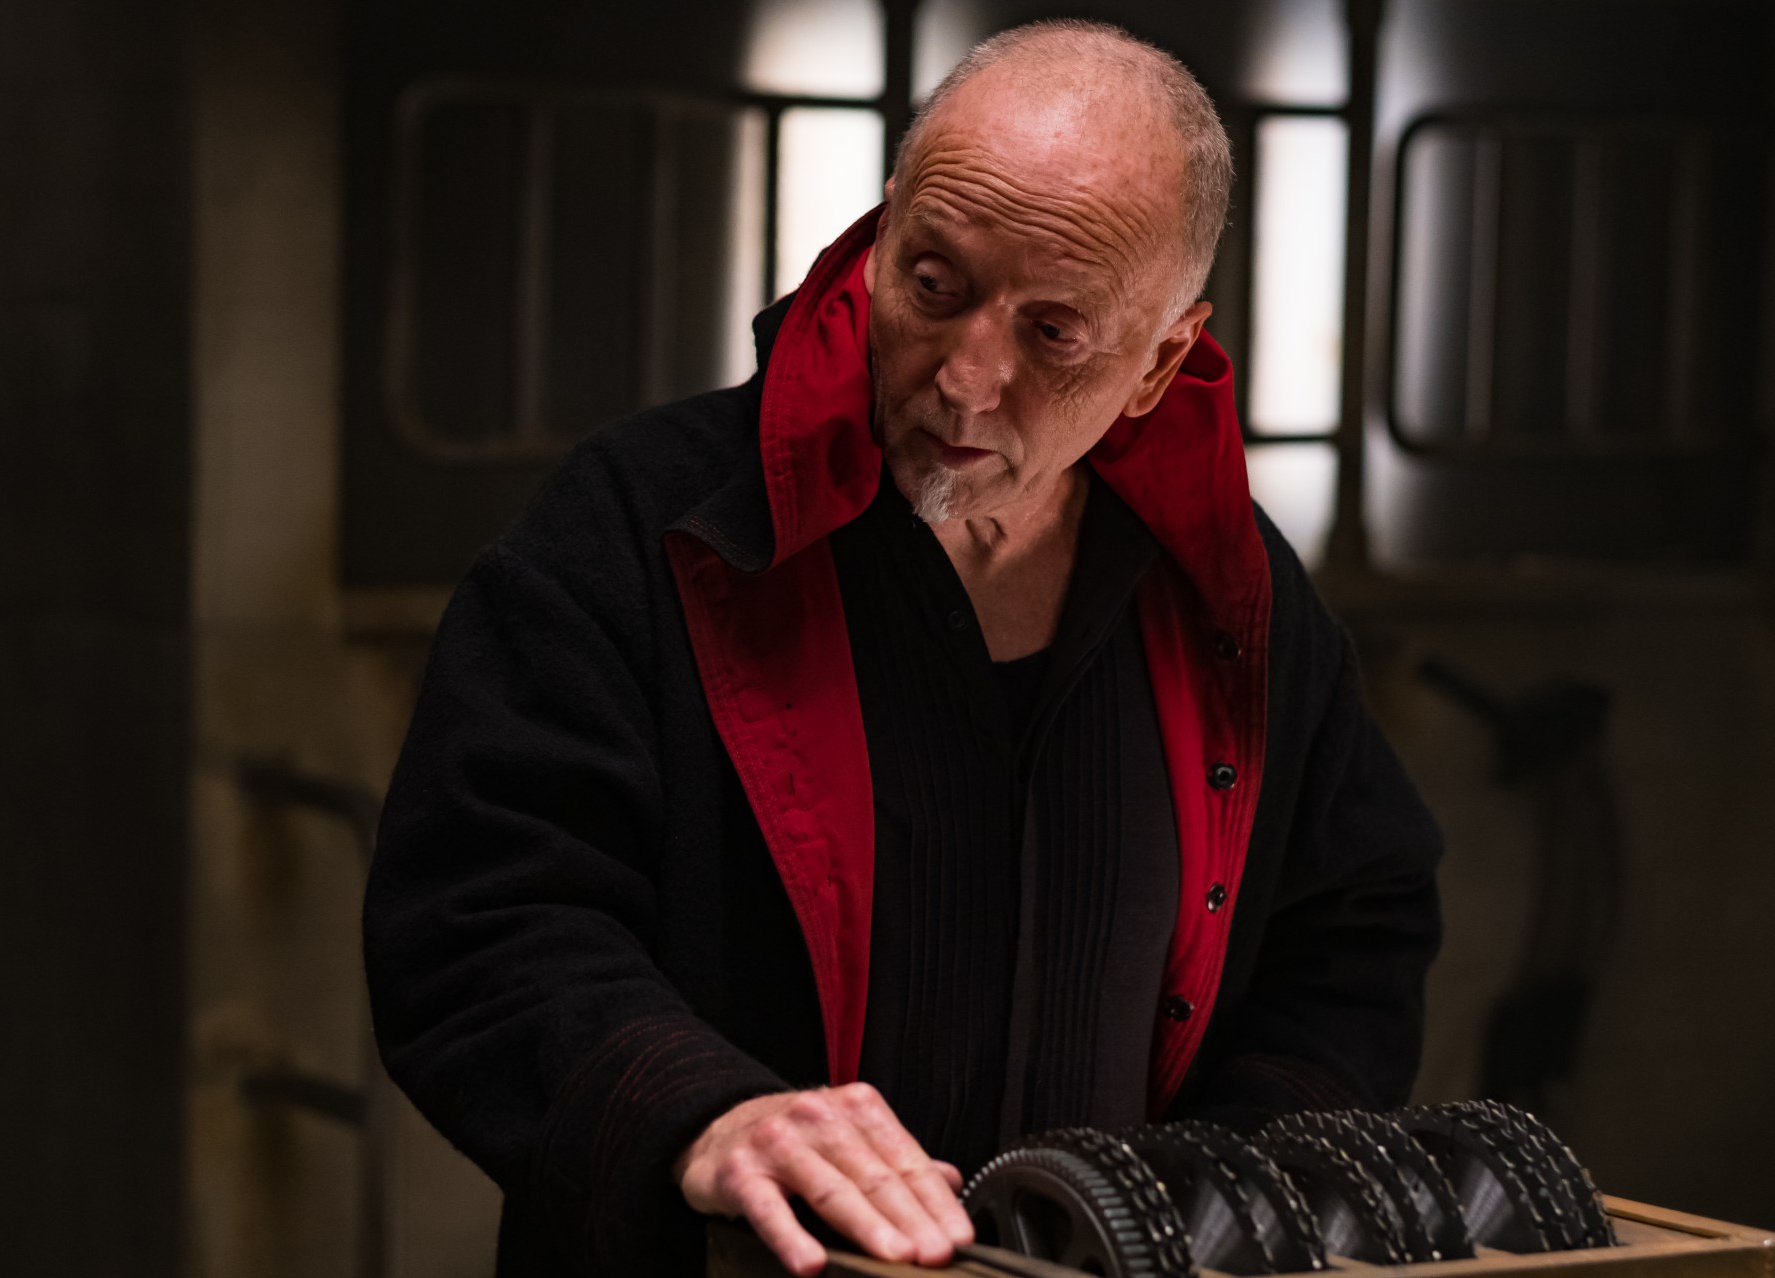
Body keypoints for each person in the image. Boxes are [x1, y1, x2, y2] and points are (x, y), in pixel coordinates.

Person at [363, 18, 1442, 1278]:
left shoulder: (1225, 588)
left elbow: (1354, 919)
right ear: (881, 235)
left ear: (1159, 362)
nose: (966, 377)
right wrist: (700, 1110)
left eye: (1053, 332)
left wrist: (1219, 1187)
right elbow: (483, 911)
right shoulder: (642, 526)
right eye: (934, 285)